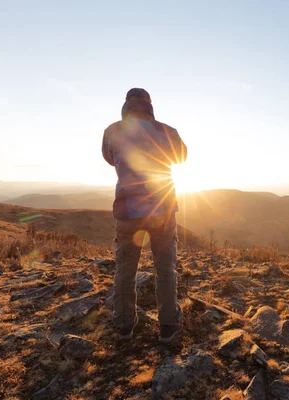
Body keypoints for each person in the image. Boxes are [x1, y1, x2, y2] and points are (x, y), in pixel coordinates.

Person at [102, 88, 187, 343]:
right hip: (161, 209)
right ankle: (169, 327)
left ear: (126, 105)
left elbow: (109, 158)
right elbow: (181, 157)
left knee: (125, 271)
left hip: (128, 211)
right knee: (165, 269)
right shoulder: (166, 131)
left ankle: (124, 326)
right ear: (150, 106)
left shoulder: (113, 131)